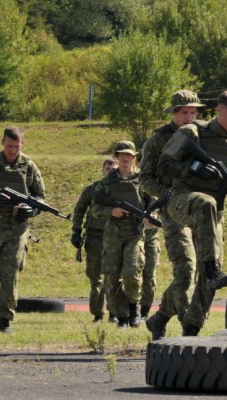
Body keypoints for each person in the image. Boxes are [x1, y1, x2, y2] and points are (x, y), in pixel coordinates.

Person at [157, 89, 227, 336]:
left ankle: (191, 330)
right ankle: (210, 271)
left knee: (213, 275)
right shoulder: (192, 133)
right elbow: (163, 166)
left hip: (212, 211)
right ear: (219, 111)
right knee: (205, 204)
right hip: (182, 200)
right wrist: (195, 168)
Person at [142, 90, 205, 340]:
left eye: (193, 112)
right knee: (186, 269)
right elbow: (145, 178)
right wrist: (165, 195)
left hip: (200, 210)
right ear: (174, 113)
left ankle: (160, 317)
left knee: (203, 269)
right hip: (172, 211)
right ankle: (188, 328)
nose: (190, 117)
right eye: (185, 112)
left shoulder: (203, 135)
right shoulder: (159, 139)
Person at [0, 127, 45, 334]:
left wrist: (32, 209)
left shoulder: (28, 166)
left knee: (11, 274)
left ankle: (5, 320)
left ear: (22, 144)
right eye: (9, 146)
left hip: (16, 230)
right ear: (2, 142)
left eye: (17, 146)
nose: (12, 150)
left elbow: (39, 196)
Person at [91, 141, 151, 329]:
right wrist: (111, 212)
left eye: (129, 155)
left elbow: (153, 204)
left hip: (134, 234)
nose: (125, 158)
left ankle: (134, 309)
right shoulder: (107, 182)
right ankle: (121, 316)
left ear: (134, 157)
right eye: (122, 155)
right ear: (117, 157)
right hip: (113, 235)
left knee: (132, 272)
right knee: (112, 276)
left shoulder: (142, 180)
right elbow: (95, 208)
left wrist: (151, 216)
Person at [71, 158, 119, 323]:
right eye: (108, 168)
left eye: (114, 168)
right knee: (96, 277)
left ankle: (114, 312)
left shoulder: (122, 189)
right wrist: (76, 230)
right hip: (94, 236)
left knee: (113, 276)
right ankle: (97, 314)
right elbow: (79, 210)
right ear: (102, 170)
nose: (110, 170)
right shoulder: (92, 189)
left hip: (116, 237)